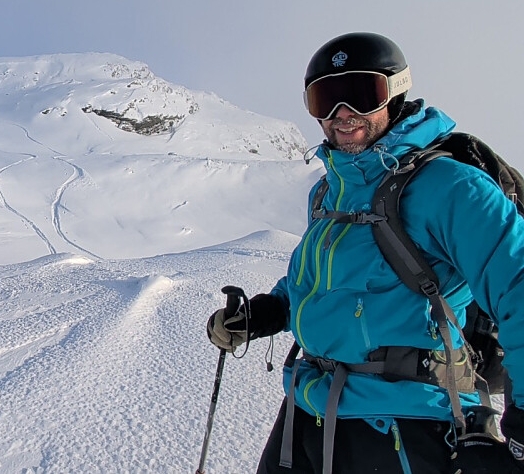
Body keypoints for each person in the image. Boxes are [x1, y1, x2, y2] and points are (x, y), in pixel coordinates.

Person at [206, 32, 524, 473]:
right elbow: (320, 280)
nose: (342, 113)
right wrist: (268, 311)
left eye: (360, 94)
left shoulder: (450, 186)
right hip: (306, 411)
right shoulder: (328, 191)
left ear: (395, 93)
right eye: (325, 100)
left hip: (406, 419)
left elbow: (518, 286)